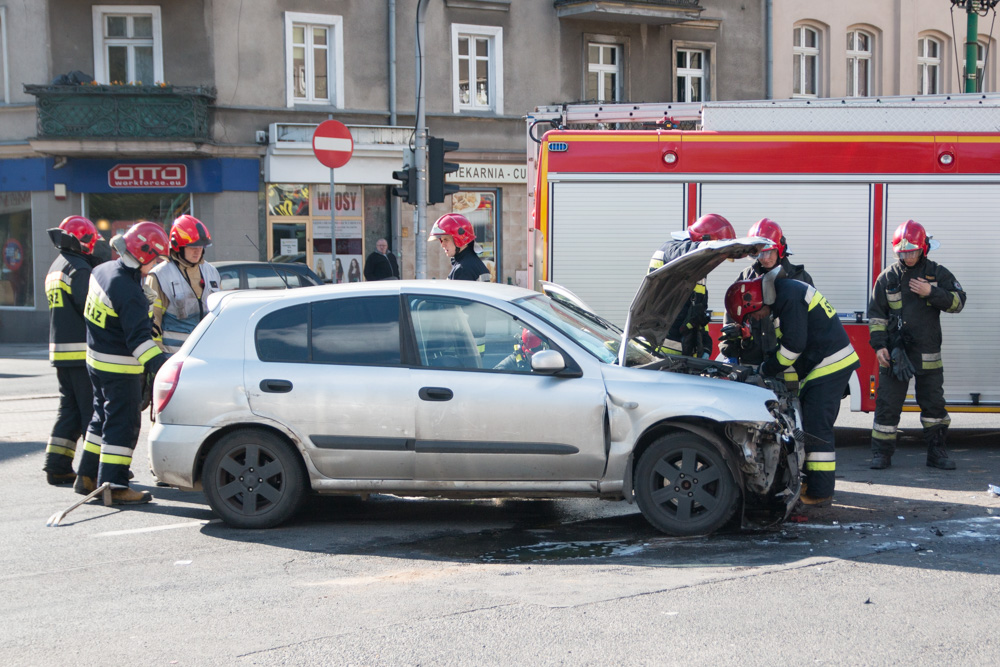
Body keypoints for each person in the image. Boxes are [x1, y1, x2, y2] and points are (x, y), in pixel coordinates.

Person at [725, 275, 860, 506]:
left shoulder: (788, 297)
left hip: (829, 366)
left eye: (752, 315)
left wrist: (766, 369)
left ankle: (820, 493)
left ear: (754, 301)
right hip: (823, 366)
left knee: (817, 430)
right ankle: (811, 483)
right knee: (809, 427)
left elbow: (792, 348)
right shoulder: (785, 295)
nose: (756, 319)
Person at [75, 221, 170, 504]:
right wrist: (165, 368)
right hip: (119, 367)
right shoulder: (128, 291)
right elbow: (140, 344)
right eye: (155, 259)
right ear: (143, 253)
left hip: (95, 360)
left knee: (100, 418)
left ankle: (86, 475)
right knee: (122, 424)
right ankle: (114, 485)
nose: (156, 265)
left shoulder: (102, 270)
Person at [868, 220, 966, 470]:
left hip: (928, 352)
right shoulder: (887, 277)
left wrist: (930, 292)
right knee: (887, 405)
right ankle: (881, 454)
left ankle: (937, 453)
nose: (908, 256)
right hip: (895, 353)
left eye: (912, 251)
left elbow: (958, 302)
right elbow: (877, 316)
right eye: (902, 252)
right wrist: (880, 346)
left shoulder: (937, 273)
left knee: (933, 406)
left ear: (924, 248)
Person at [720, 218, 814, 391]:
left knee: (789, 413)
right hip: (752, 362)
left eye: (769, 252)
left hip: (789, 367)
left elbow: (810, 323)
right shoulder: (746, 277)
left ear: (780, 249)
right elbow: (731, 315)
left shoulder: (799, 278)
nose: (765, 258)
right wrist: (730, 348)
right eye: (760, 253)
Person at [42, 216, 102, 486]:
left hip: (61, 353)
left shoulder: (57, 265)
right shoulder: (79, 268)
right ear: (84, 242)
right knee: (92, 412)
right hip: (81, 353)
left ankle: (57, 465)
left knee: (70, 410)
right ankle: (98, 469)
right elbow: (89, 309)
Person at [648, 213, 736, 356]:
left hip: (684, 354)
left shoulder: (698, 271)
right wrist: (712, 248)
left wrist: (706, 346)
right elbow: (683, 252)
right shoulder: (669, 249)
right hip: (659, 352)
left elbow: (698, 314)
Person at [146, 215, 221, 354]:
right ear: (178, 246)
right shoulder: (159, 275)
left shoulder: (212, 272)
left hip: (207, 354)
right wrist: (157, 358)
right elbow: (152, 320)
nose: (198, 250)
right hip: (173, 356)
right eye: (192, 246)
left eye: (200, 246)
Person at [428, 213, 491, 281]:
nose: (442, 245)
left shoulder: (463, 269)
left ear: (460, 239)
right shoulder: (471, 262)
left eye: (446, 240)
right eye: (442, 240)